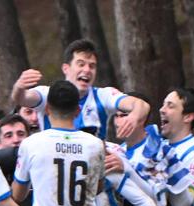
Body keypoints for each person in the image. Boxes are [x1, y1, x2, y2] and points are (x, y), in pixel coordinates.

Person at [11, 39, 149, 140]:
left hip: (91, 174)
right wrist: (19, 87)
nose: (87, 70)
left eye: (92, 66)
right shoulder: (49, 94)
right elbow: (22, 98)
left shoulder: (103, 96)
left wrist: (134, 116)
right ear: (66, 68)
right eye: (81, 64)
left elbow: (141, 105)